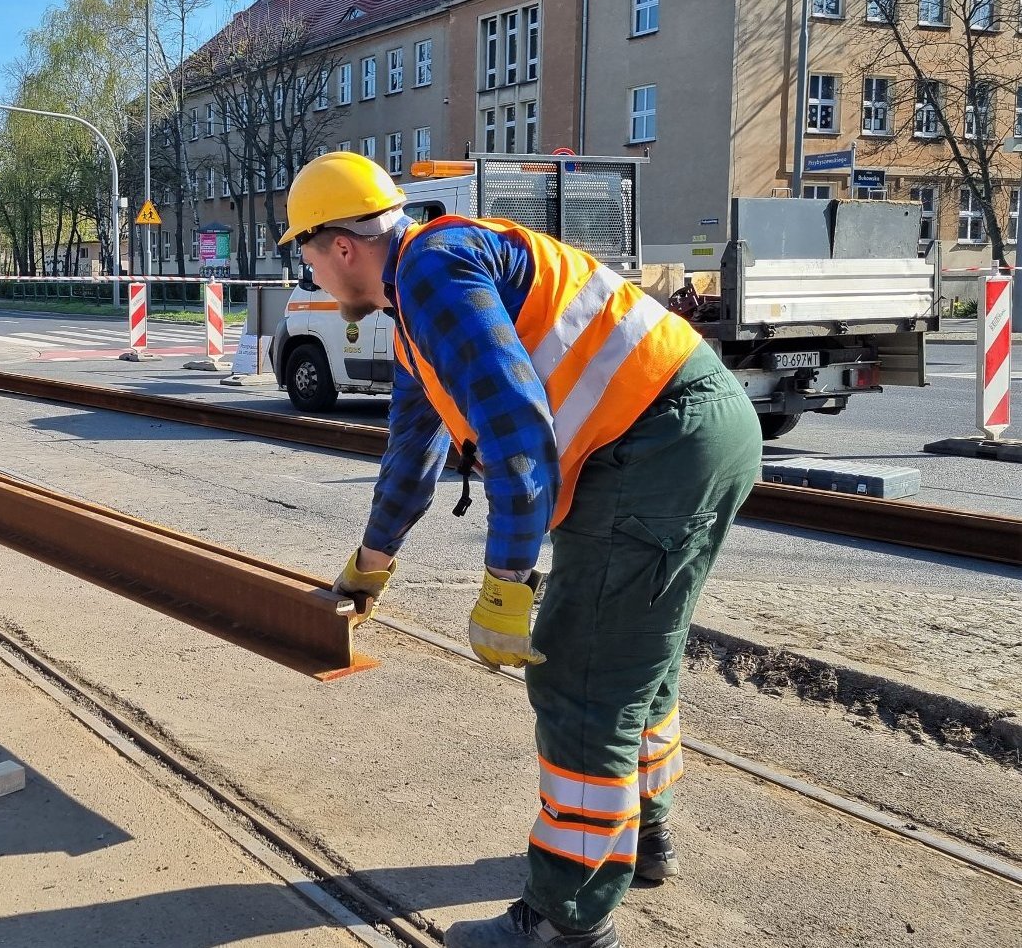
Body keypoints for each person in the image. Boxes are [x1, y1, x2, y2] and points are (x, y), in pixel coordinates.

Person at [280, 153, 760, 948]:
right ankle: (642, 841)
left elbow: (518, 433)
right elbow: (410, 459)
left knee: (578, 680)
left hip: (655, 445)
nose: (314, 279)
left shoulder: (432, 273)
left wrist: (508, 580)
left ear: (341, 246)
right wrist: (371, 564)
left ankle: (566, 921)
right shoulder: (421, 308)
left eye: (307, 257)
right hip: (691, 431)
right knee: (634, 660)